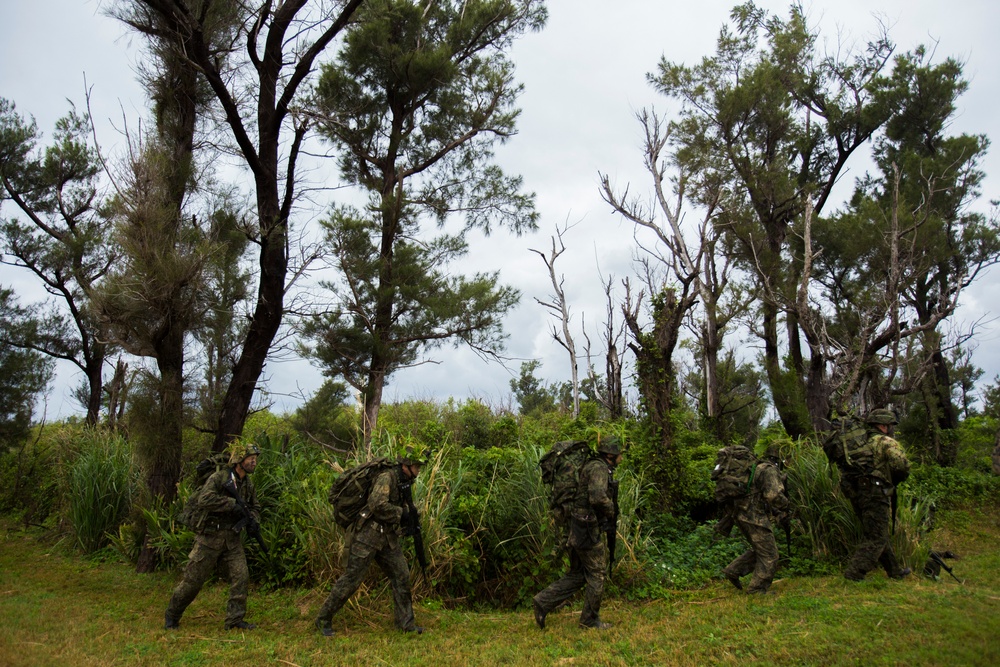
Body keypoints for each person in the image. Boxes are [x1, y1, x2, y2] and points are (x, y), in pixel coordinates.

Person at [315, 450, 426, 637]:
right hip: (367, 536)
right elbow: (377, 504)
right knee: (352, 579)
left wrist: (410, 518)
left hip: (387, 537)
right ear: (406, 466)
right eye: (417, 466)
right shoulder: (387, 477)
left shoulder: (404, 481)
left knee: (401, 575)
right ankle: (323, 619)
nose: (418, 470)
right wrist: (402, 514)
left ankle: (406, 624)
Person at [165, 443, 262, 631]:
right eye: (251, 458)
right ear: (239, 460)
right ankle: (172, 615)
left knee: (241, 578)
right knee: (193, 582)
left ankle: (234, 620)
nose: (254, 462)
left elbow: (255, 507)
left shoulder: (248, 485)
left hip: (232, 539)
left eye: (255, 458)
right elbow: (204, 499)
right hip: (209, 538)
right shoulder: (219, 478)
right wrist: (231, 504)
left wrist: (253, 520)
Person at [533, 437, 621, 630]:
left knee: (579, 574)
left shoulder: (591, 465)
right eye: (619, 454)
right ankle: (589, 620)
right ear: (611, 455)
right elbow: (597, 497)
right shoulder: (598, 468)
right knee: (597, 573)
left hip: (576, 524)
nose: (621, 458)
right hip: (586, 527)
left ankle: (543, 601)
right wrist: (611, 509)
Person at [841, 408, 911, 582]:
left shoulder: (859, 443)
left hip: (857, 493)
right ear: (882, 426)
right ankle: (855, 572)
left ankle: (894, 571)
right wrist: (896, 479)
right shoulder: (884, 442)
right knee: (876, 537)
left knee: (877, 532)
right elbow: (901, 465)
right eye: (889, 425)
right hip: (876, 492)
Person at [720, 448, 789, 594]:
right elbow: (773, 496)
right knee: (770, 554)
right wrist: (786, 506)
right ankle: (757, 589)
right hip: (755, 518)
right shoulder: (768, 469)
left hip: (738, 515)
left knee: (761, 549)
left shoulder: (750, 469)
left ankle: (734, 570)